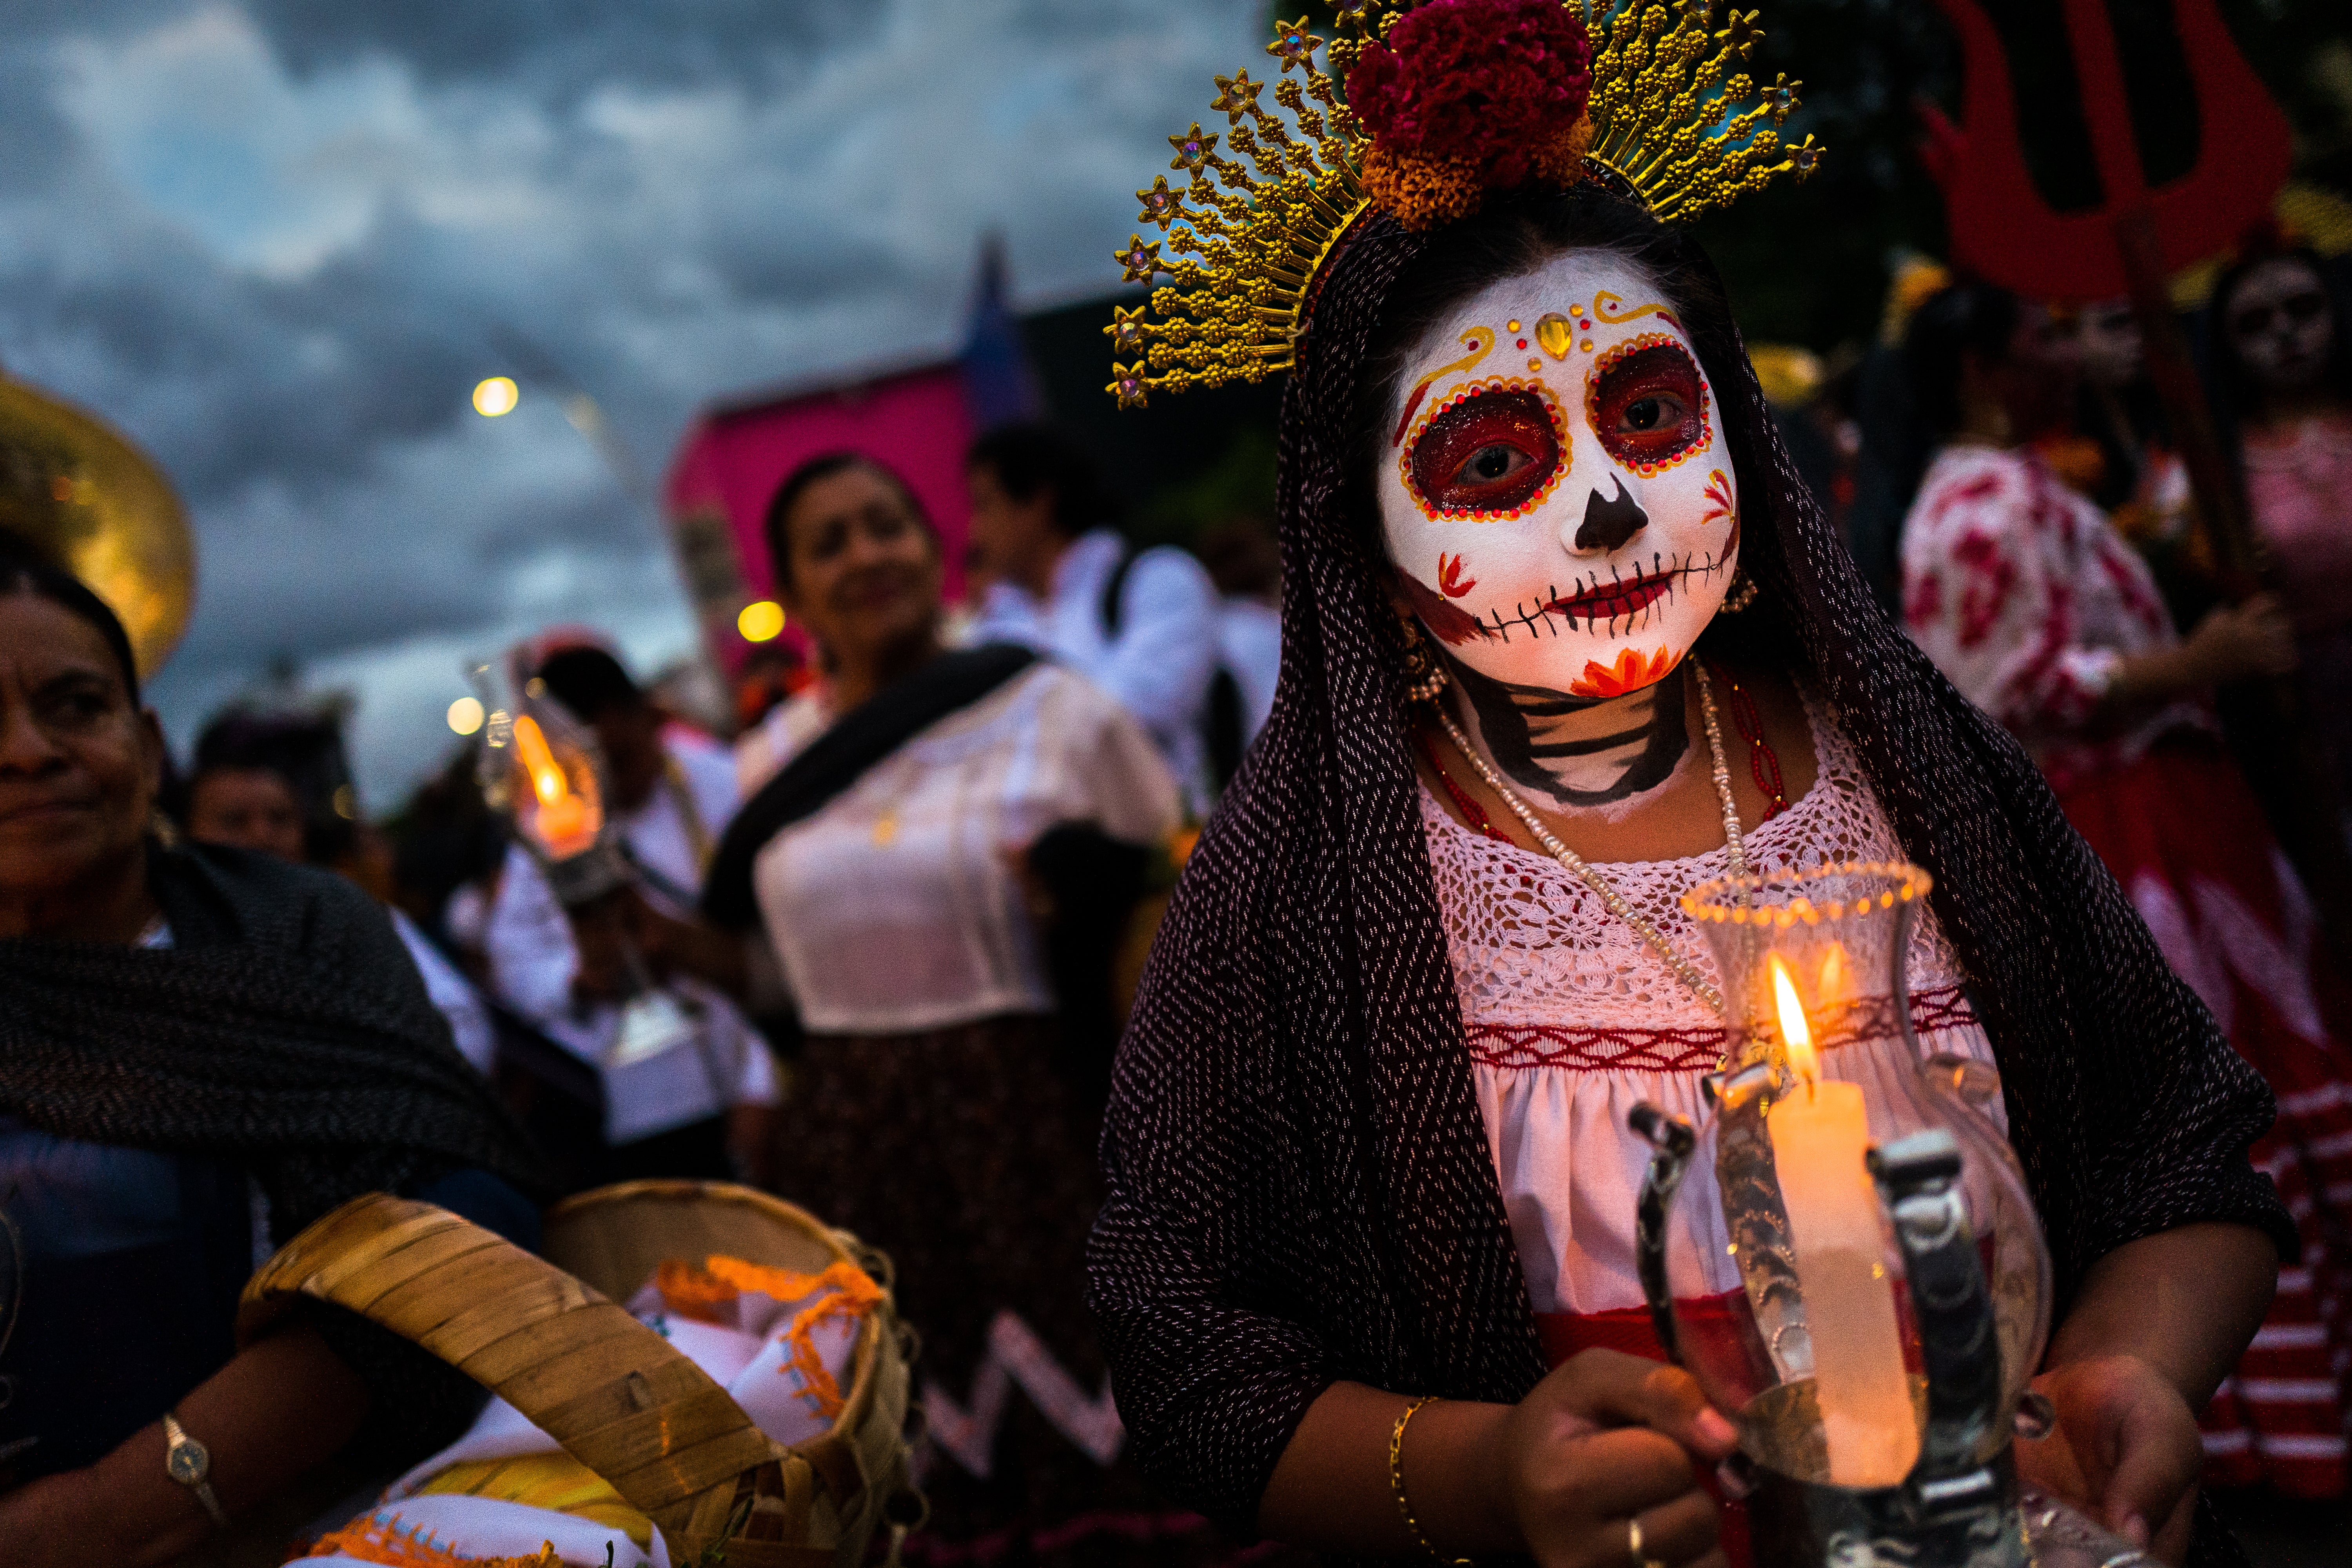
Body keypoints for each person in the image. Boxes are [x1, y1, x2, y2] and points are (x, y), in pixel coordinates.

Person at [1087, 6, 2290, 1567]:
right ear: (1367, 557)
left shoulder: (1921, 771)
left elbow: (2181, 1143)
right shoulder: (1296, 898)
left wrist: (2131, 1361)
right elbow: (1189, 1349)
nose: (1604, 509)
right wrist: (1481, 1474)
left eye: (1650, 417)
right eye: (1496, 460)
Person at [1899, 279, 2351, 1499]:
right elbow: (2000, 680)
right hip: (2122, 824)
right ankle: (2256, 1429)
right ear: (1984, 372)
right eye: (2043, 329)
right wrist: (2191, 662)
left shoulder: (2023, 483)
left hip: (2171, 812)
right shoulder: (1979, 500)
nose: (2066, 346)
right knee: (2210, 1091)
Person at [0, 552, 542, 1563]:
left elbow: (458, 1218)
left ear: (151, 746)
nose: (28, 753)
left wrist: (111, 1510)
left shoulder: (304, 932)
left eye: (73, 705)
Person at [698, 451, 1188, 1561]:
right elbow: (777, 978)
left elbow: (1182, 887)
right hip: (856, 1159)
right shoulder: (767, 760)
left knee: (1101, 1447)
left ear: (933, 546)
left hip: (1040, 1138)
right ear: (792, 592)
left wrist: (1093, 885)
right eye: (831, 543)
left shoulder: (1053, 706)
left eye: (887, 526)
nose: (867, 555)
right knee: (932, 1473)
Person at [483, 640, 780, 1185]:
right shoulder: (551, 826)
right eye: (590, 767)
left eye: (618, 760)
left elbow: (779, 950)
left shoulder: (726, 785)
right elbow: (511, 955)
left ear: (647, 716)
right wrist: (575, 980)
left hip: (747, 1075)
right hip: (637, 1107)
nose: (609, 782)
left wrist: (761, 1085)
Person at [181, 709, 500, 1076]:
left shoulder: (357, 917)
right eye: (235, 821)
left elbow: (466, 1027)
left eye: (280, 818)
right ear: (189, 835)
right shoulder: (178, 951)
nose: (262, 837)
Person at [963, 421, 1225, 810]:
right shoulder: (994, 628)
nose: (975, 532)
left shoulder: (1158, 580)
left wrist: (1007, 743)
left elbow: (1125, 718)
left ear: (1038, 502)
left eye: (985, 505)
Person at [2209, 244, 2352, 839]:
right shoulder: (2209, 461)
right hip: (2312, 711)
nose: (2286, 332)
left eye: (2302, 308)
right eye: (2255, 324)